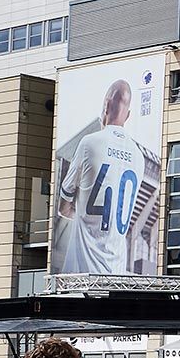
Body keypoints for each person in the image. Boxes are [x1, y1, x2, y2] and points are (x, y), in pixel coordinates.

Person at [52, 77, 159, 276]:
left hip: (82, 275)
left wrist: (82, 217)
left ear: (105, 105)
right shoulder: (138, 158)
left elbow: (63, 207)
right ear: (128, 115)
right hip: (115, 274)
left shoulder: (89, 143)